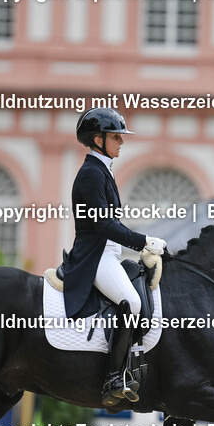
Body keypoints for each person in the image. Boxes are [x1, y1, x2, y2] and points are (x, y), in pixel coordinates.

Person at [61, 108, 166, 406]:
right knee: (130, 302)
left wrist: (139, 244)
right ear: (98, 139)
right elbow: (104, 225)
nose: (121, 141)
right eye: (116, 136)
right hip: (95, 256)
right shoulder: (91, 174)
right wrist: (144, 240)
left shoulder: (101, 170)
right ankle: (113, 378)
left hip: (108, 252)